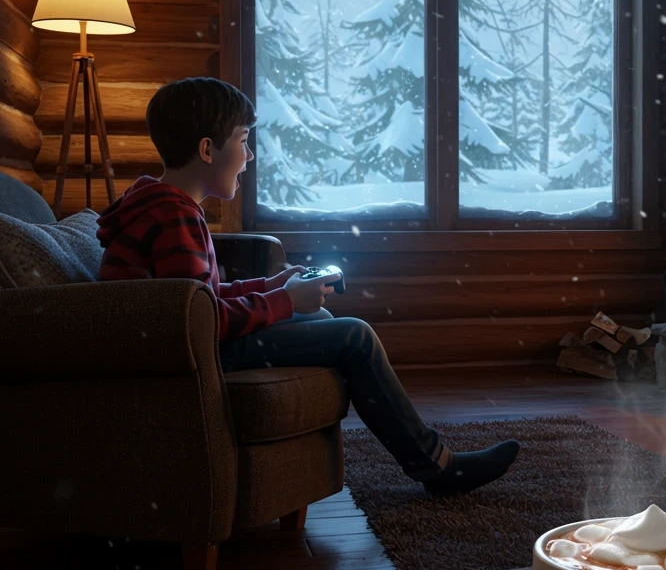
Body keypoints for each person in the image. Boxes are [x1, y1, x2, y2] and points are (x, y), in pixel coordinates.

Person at [96, 76, 519, 496]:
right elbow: (198, 321)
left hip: (194, 347)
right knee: (355, 336)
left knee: (319, 314)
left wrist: (276, 284)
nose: (250, 155)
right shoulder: (175, 216)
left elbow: (198, 299)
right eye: (243, 141)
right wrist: (282, 301)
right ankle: (438, 468)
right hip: (192, 356)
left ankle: (429, 459)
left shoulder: (164, 206)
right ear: (208, 150)